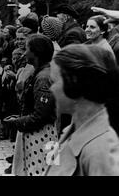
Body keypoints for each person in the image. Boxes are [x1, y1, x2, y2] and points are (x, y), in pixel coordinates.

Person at [45, 44, 119, 175]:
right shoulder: (73, 130)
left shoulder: (100, 151)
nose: (51, 89)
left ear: (73, 83)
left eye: (54, 82)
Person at [5, 34, 57, 176]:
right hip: (41, 135)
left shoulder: (43, 78)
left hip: (40, 137)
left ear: (36, 52)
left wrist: (17, 122)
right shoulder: (42, 73)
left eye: (27, 49)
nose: (24, 53)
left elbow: (41, 115)